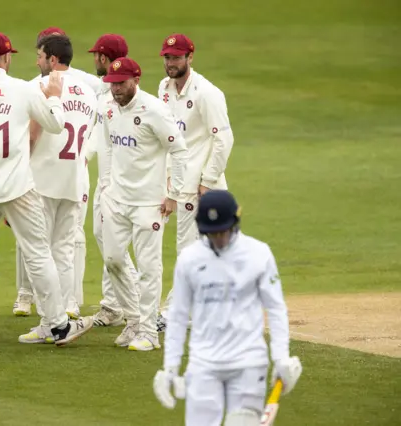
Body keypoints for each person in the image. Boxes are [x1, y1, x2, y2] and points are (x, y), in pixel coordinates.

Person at [0, 32, 94, 353]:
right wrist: (54, 95)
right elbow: (56, 124)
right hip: (18, 187)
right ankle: (58, 324)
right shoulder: (24, 90)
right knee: (40, 255)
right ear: (7, 57)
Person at [153, 190, 303, 425]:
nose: (219, 239)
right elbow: (179, 315)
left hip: (248, 362)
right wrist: (170, 367)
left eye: (223, 231)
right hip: (203, 363)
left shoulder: (258, 254)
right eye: (212, 234)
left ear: (235, 222)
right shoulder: (190, 259)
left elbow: (275, 309)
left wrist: (281, 357)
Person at [99, 57, 190, 351]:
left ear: (136, 80)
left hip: (149, 203)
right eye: (112, 84)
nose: (116, 90)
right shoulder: (109, 109)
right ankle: (134, 320)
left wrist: (174, 193)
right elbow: (110, 148)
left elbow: (179, 150)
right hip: (117, 199)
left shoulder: (154, 110)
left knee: (149, 267)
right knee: (113, 259)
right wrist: (107, 186)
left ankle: (149, 331)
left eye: (121, 83)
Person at [12, 27, 101, 317]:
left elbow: (32, 136)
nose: (37, 62)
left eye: (40, 56)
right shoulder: (89, 92)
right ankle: (68, 307)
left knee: (39, 253)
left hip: (42, 181)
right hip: (74, 179)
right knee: (64, 250)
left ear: (52, 59)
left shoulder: (40, 87)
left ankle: (49, 321)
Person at [156, 34, 235, 333]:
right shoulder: (164, 89)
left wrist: (209, 180)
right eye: (167, 57)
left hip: (200, 185)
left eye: (177, 57)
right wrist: (166, 183)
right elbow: (169, 139)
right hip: (177, 181)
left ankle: (177, 312)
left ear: (191, 57)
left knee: (189, 250)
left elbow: (224, 138)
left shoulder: (207, 93)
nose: (171, 63)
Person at [84, 34, 138, 328]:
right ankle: (114, 305)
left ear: (103, 58)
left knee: (114, 246)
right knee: (104, 239)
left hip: (124, 186)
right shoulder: (106, 95)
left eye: (96, 55)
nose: (94, 60)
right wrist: (85, 156)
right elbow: (98, 138)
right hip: (104, 183)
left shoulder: (124, 98)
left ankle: (133, 304)